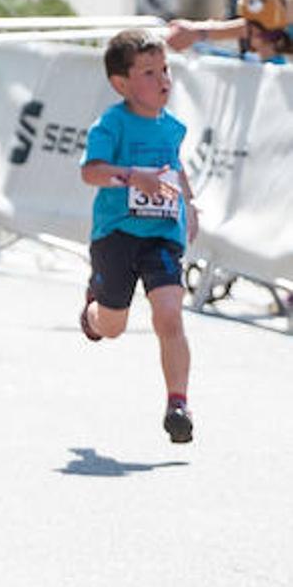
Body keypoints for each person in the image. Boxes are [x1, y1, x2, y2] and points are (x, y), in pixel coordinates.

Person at [77, 29, 197, 443]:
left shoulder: (173, 127)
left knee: (169, 313)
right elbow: (90, 172)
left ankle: (177, 403)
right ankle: (92, 309)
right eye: (149, 72)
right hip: (116, 234)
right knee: (112, 327)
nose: (163, 79)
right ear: (121, 84)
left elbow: (176, 169)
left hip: (162, 234)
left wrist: (190, 205)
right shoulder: (111, 124)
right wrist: (131, 177)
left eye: (165, 69)